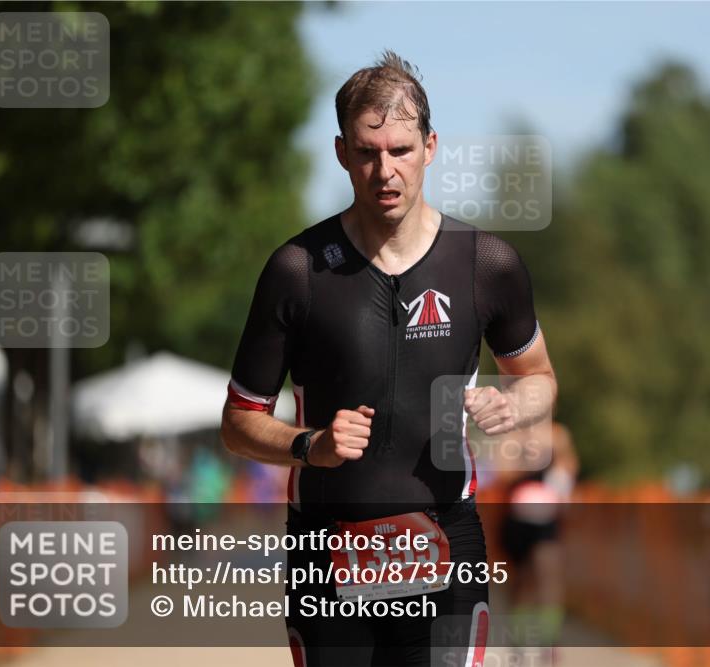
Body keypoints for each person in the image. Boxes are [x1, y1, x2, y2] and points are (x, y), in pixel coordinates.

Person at [220, 50, 557, 667]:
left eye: (400, 150)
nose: (385, 171)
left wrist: (513, 403)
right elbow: (238, 422)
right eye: (367, 152)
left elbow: (538, 378)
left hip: (445, 537)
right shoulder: (296, 271)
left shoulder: (487, 264)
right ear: (342, 153)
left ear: (430, 146)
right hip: (328, 546)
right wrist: (308, 444)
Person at [498, 422, 577, 663]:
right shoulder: (514, 437)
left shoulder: (559, 434)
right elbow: (503, 473)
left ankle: (549, 640)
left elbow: (570, 467)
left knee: (549, 581)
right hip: (517, 521)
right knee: (521, 585)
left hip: (547, 522)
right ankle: (519, 640)